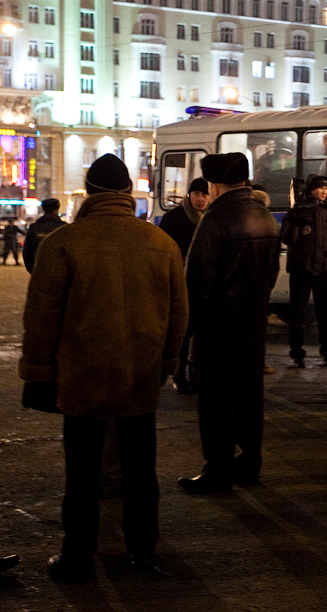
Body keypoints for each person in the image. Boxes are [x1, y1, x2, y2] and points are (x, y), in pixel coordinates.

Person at [19, 153, 188, 581]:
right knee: (140, 468)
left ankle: (77, 555)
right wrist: (168, 359)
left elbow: (42, 315)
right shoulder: (161, 243)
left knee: (82, 472)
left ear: (89, 192)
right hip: (139, 372)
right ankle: (143, 551)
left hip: (82, 374)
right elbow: (178, 312)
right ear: (128, 191)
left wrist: (38, 367)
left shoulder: (64, 243)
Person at [178, 153, 280, 494]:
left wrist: (184, 332)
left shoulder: (217, 219)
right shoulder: (264, 215)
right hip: (253, 324)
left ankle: (217, 469)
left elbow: (197, 281)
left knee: (217, 398)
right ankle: (249, 462)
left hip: (219, 326)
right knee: (250, 394)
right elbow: (270, 275)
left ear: (214, 184)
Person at [280, 175, 327, 368]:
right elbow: (288, 239)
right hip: (302, 269)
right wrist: (293, 222)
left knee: (324, 313)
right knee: (297, 314)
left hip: (323, 269)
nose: (324, 191)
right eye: (320, 188)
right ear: (311, 190)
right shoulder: (298, 210)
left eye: (326, 188)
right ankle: (297, 354)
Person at [158, 177, 210, 394]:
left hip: (204, 283)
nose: (201, 199)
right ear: (189, 195)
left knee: (202, 331)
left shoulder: (211, 218)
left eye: (205, 195)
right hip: (180, 281)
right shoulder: (174, 218)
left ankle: (198, 374)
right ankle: (179, 374)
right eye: (197, 194)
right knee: (182, 330)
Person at [23, 198, 66, 272]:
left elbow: (27, 252)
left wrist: (33, 271)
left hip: (39, 270)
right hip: (60, 272)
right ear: (57, 209)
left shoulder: (34, 227)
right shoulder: (64, 227)